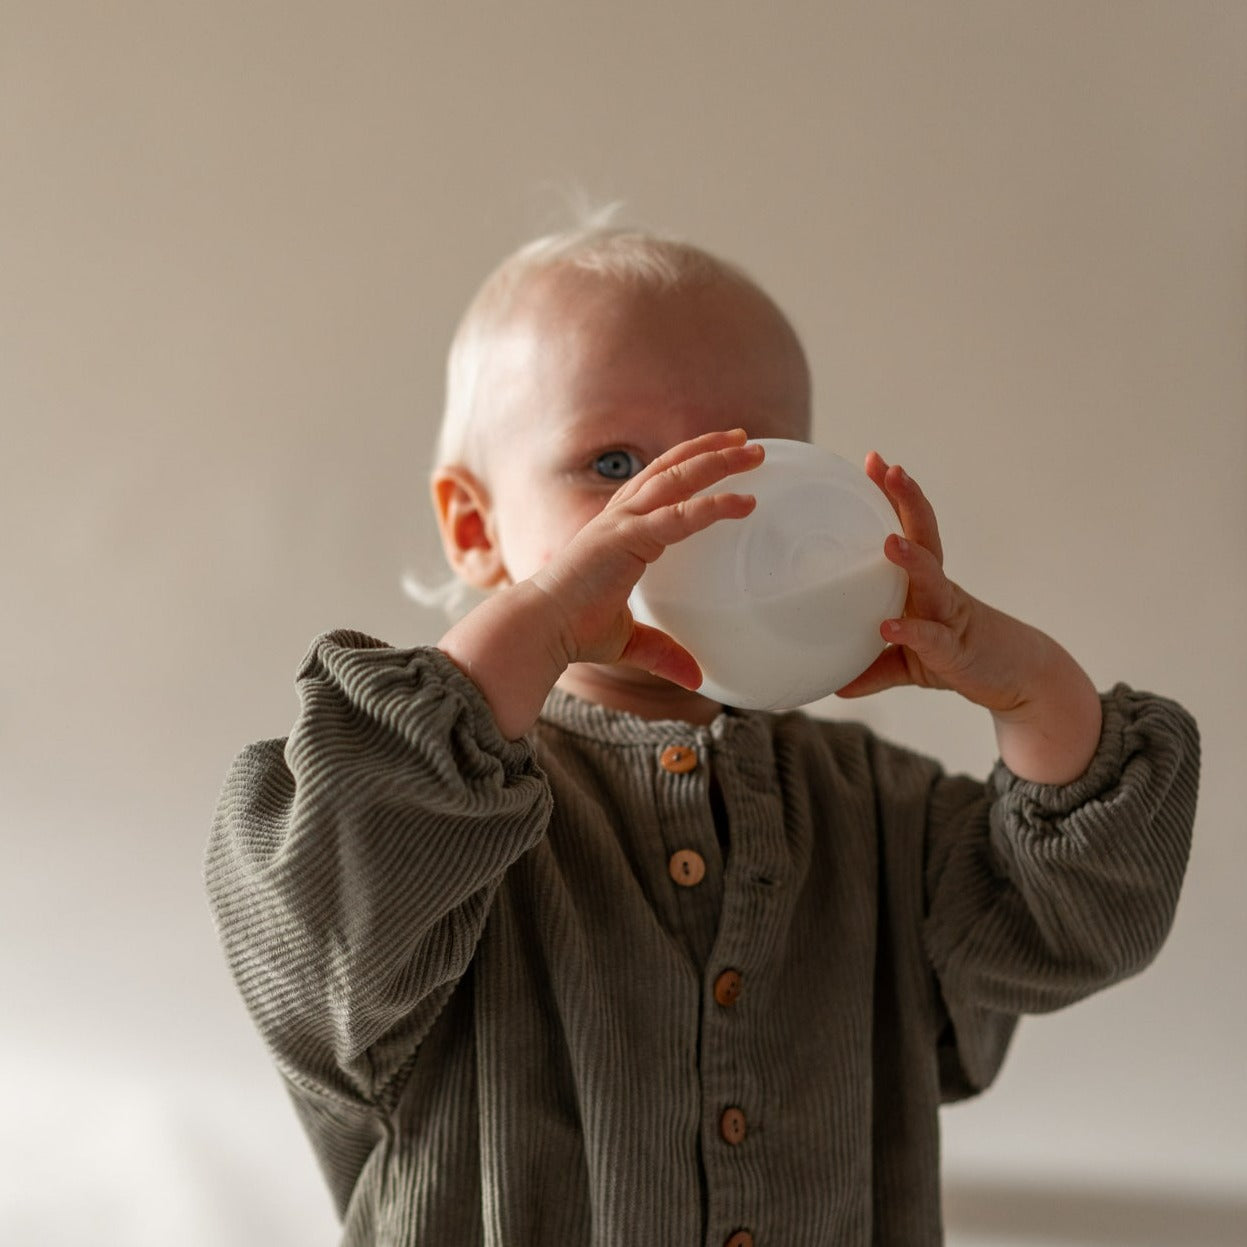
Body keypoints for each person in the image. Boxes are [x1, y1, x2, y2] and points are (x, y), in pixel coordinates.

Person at [206, 225, 1200, 1246]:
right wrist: (534, 626)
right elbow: (311, 937)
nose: (685, 515)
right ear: (476, 528)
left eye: (747, 467)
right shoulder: (417, 807)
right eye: (612, 464)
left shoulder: (875, 812)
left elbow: (1085, 919)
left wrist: (1031, 689)